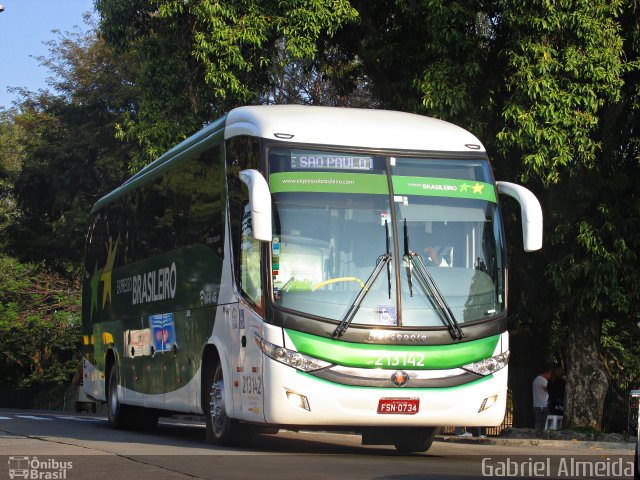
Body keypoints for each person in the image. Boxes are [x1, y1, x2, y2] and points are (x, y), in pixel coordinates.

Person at [532, 367, 552, 434]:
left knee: (537, 421)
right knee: (544, 421)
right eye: (550, 374)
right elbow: (547, 389)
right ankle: (542, 434)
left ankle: (536, 433)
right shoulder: (543, 380)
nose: (550, 376)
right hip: (543, 404)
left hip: (536, 404)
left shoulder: (535, 380)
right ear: (546, 373)